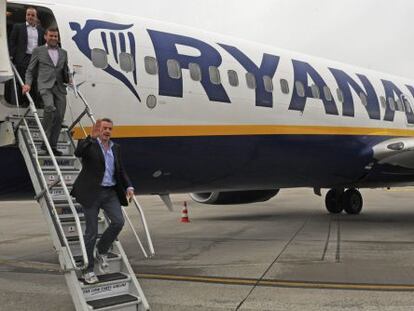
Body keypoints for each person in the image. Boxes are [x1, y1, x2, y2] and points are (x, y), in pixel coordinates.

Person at [71, 118, 134, 284]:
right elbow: (78, 153)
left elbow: (120, 170)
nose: (107, 131)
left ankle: (101, 250)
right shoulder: (89, 144)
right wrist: (91, 137)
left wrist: (129, 186)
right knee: (91, 232)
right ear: (98, 129)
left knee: (119, 222)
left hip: (110, 192)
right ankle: (88, 270)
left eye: (110, 129)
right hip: (91, 193)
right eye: (104, 128)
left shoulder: (116, 148)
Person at [23, 27, 70, 156]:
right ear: (45, 36)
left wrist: (69, 78)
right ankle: (44, 141)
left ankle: (52, 146)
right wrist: (27, 84)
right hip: (45, 86)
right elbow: (30, 70)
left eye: (56, 36)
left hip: (60, 87)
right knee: (50, 108)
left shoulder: (64, 53)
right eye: (51, 36)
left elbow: (65, 70)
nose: (54, 38)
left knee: (60, 116)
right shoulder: (38, 51)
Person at [8, 7, 45, 106]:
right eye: (28, 14)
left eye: (33, 15)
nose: (30, 17)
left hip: (36, 59)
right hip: (23, 57)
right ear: (25, 16)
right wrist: (11, 55)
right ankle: (22, 103)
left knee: (34, 80)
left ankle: (32, 103)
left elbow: (42, 44)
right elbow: (12, 41)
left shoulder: (41, 30)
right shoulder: (18, 27)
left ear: (36, 17)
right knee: (23, 81)